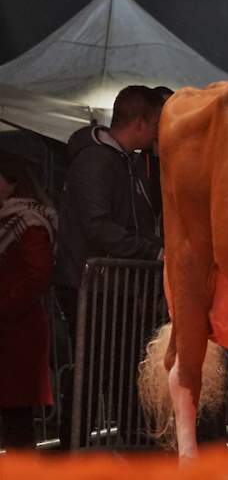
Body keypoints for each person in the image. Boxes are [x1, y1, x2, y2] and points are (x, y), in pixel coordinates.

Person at [52, 85, 164, 447]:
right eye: (158, 124)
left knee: (118, 370)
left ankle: (123, 447)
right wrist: (153, 252)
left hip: (111, 286)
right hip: (93, 286)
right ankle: (75, 450)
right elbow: (97, 226)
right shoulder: (97, 161)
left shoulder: (122, 161)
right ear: (142, 123)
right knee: (95, 372)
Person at [0, 156, 57, 451]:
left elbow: (37, 275)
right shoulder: (11, 220)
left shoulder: (28, 223)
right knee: (13, 418)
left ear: (11, 183)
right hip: (13, 326)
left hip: (17, 329)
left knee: (17, 419)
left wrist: (5, 304)